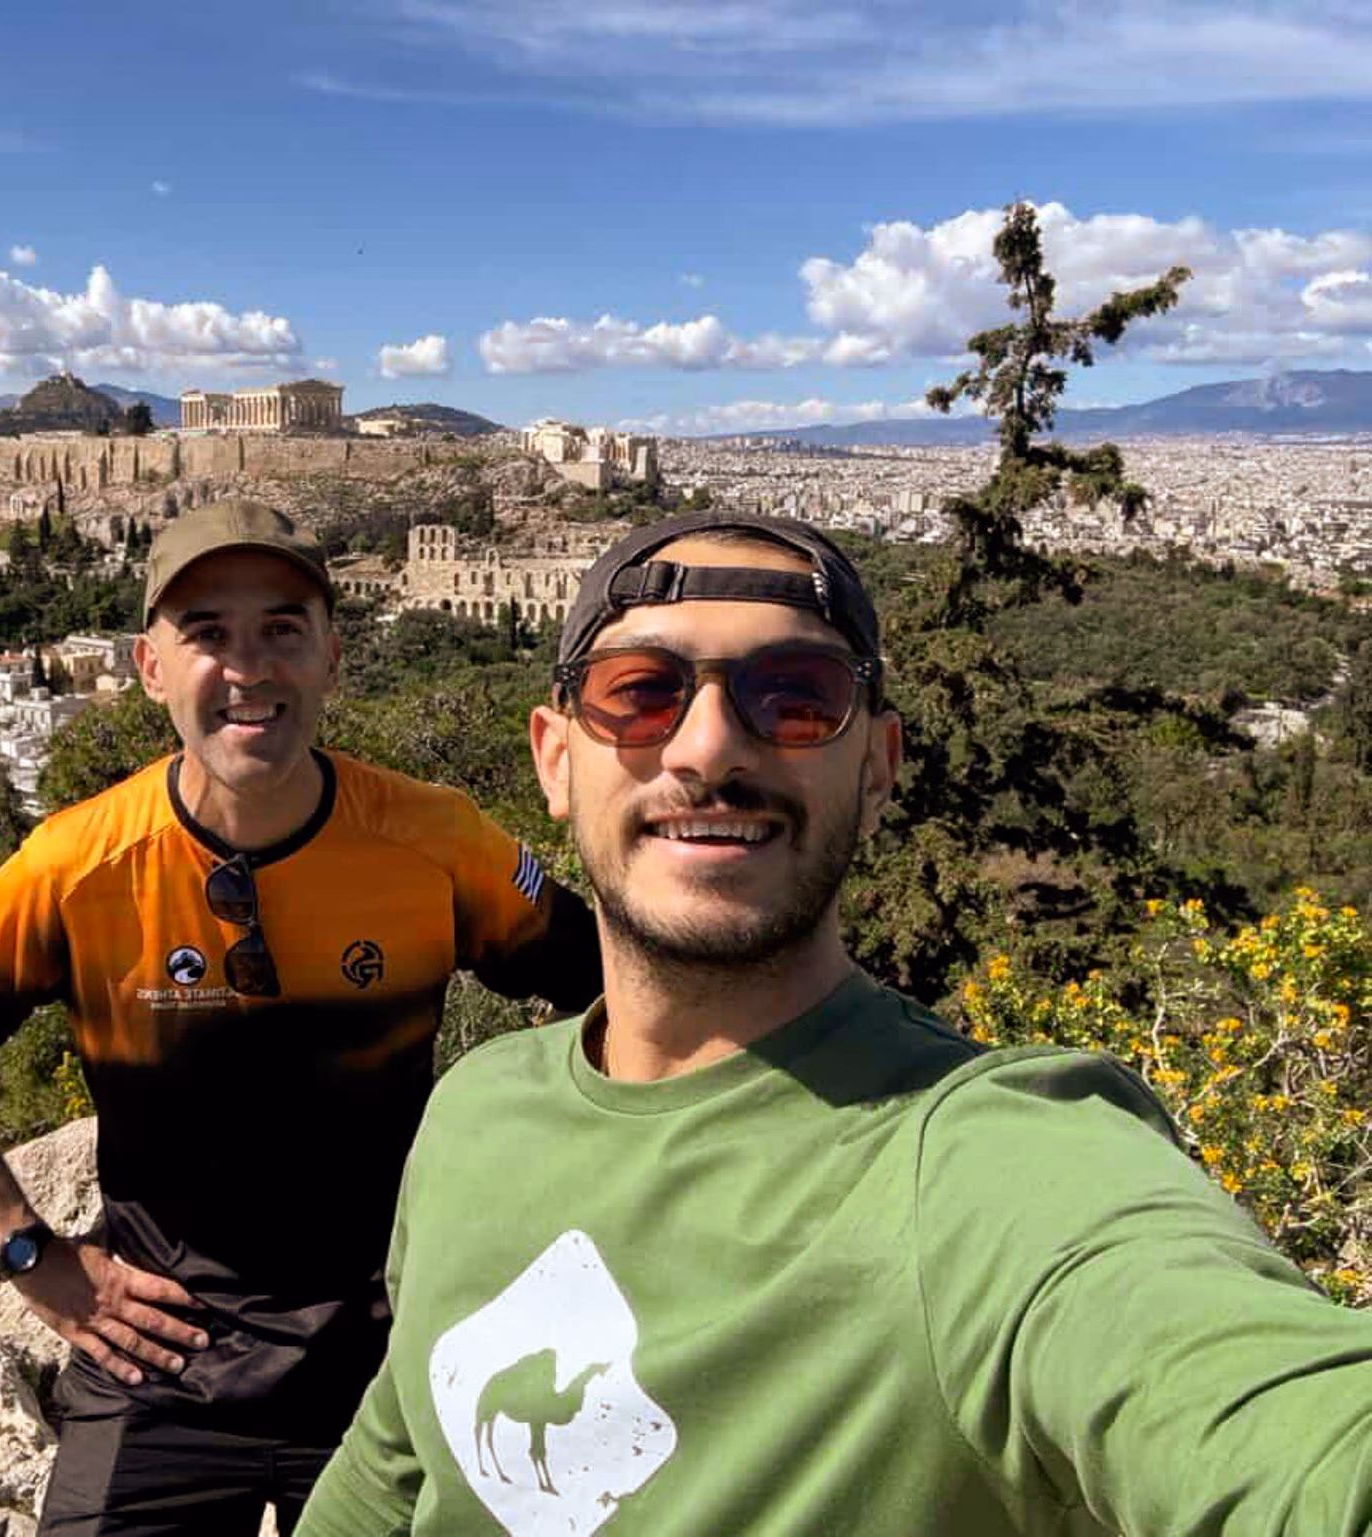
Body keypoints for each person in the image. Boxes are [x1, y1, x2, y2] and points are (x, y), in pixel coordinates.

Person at [297, 511, 1372, 1536]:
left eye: (794, 696)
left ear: (875, 768)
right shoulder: (477, 1108)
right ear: (552, 759)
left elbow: (1284, 1436)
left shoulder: (982, 1164)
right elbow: (400, 1453)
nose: (707, 749)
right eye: (640, 693)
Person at [0, 499, 604, 1535]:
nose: (247, 667)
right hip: (160, 1361)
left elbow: (611, 988)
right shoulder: (81, 865)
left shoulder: (433, 841)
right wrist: (32, 1256)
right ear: (150, 667)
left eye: (281, 631)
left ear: (331, 660)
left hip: (388, 1354)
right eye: (207, 633)